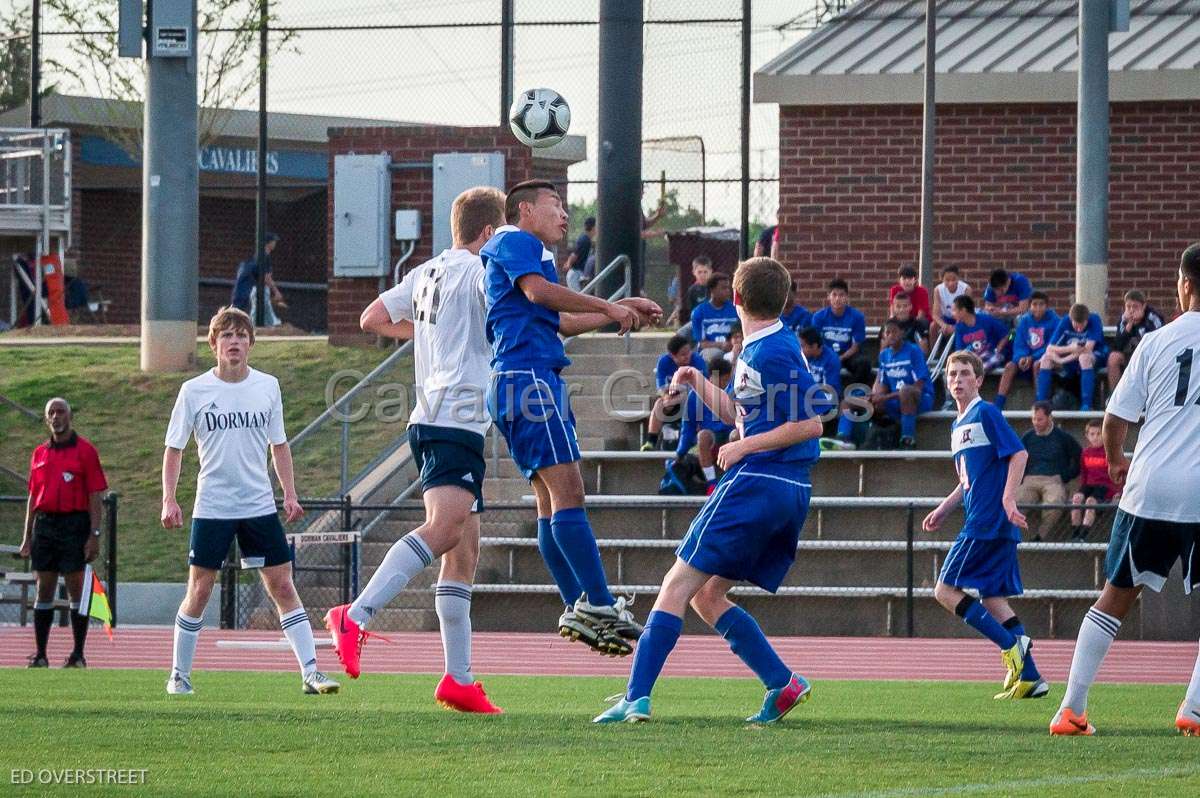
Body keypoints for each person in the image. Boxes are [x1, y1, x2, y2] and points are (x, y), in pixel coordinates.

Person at [594, 256, 822, 725]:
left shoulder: (771, 349)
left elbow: (811, 424)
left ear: (736, 298)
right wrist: (697, 381)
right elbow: (745, 416)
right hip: (782, 486)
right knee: (706, 595)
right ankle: (782, 683)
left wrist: (743, 449)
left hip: (760, 481)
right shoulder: (764, 345)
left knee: (676, 585)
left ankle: (636, 697)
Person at [323, 187, 507, 714]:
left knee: (464, 552)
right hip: (453, 415)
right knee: (446, 529)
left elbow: (370, 318)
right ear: (490, 234)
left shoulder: (426, 271)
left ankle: (459, 679)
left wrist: (428, 337)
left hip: (439, 415)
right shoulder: (477, 271)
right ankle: (355, 614)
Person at [482, 179, 661, 656]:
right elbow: (542, 295)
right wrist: (607, 303)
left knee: (548, 501)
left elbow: (556, 318)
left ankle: (579, 605)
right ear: (524, 210)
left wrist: (616, 309)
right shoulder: (516, 240)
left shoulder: (526, 252)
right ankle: (599, 605)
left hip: (521, 379)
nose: (564, 214)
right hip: (530, 380)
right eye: (555, 205)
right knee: (570, 494)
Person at [1051, 243, 1200, 737]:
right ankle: (1193, 710)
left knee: (1115, 597)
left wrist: (1115, 459)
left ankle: (1071, 708)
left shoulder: (1155, 343)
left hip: (1151, 488)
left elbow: (1115, 417)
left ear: (1184, 285)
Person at [161, 307, 338, 696]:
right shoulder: (194, 391)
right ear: (213, 344)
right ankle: (179, 674)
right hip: (213, 506)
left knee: (282, 586)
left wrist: (289, 493)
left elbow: (279, 444)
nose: (234, 342)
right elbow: (174, 449)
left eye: (241, 335)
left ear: (251, 343)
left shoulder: (267, 386)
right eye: (226, 335)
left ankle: (311, 672)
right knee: (200, 589)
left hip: (258, 505)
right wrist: (169, 499)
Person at [923, 350, 1047, 700]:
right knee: (993, 599)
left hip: (987, 521)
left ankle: (1012, 648)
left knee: (944, 591)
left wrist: (1008, 498)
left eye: (964, 374)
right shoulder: (957, 424)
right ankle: (1031, 678)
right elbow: (968, 480)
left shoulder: (986, 412)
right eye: (952, 375)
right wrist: (945, 508)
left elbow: (1018, 454)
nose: (957, 380)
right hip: (987, 520)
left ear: (978, 380)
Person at [20, 398, 108, 669]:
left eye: (61, 412)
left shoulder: (85, 451)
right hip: (45, 526)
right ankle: (40, 654)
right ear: (46, 419)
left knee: (75, 588)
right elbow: (33, 496)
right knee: (43, 588)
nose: (56, 417)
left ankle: (78, 654)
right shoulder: (39, 453)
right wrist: (27, 536)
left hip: (74, 525)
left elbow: (96, 494)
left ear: (70, 416)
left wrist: (94, 533)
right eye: (51, 413)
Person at [1016, 401, 1081, 542]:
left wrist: (1065, 476)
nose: (1036, 423)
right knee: (1015, 502)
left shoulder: (1063, 437)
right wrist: (1021, 479)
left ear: (1050, 418)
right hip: (1030, 480)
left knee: (1055, 502)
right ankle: (1011, 536)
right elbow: (1018, 459)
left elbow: (1079, 458)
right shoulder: (1027, 437)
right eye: (1034, 419)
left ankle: (1040, 536)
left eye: (1040, 419)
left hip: (1053, 480)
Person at [675, 357, 735, 493]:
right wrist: (681, 451)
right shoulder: (695, 395)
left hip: (730, 438)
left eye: (728, 379)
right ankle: (711, 483)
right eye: (724, 379)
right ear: (713, 378)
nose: (727, 383)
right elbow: (688, 425)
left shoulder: (735, 392)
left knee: (736, 435)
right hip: (712, 440)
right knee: (703, 436)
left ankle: (735, 480)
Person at [643, 334, 708, 452]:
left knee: (693, 402)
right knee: (659, 403)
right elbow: (661, 388)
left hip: (695, 398)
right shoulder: (664, 361)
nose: (687, 356)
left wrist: (680, 397)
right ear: (672, 356)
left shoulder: (697, 360)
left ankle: (695, 441)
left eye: (688, 352)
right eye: (683, 355)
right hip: (674, 399)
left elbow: (703, 389)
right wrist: (666, 397)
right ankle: (651, 441)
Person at [1037, 303, 1106, 411]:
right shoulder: (1065, 321)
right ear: (1070, 319)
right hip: (1070, 358)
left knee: (1084, 358)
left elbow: (1087, 349)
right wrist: (1069, 350)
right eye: (1076, 325)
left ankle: (1086, 405)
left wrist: (1062, 360)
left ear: (1087, 320)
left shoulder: (1095, 319)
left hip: (1095, 356)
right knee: (1045, 359)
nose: (1079, 330)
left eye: (1082, 325)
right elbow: (1050, 348)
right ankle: (1040, 404)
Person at [996, 291, 1058, 409]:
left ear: (1047, 306)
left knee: (1037, 365)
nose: (1038, 308)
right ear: (1030, 307)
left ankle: (1040, 403)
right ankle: (999, 402)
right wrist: (1021, 357)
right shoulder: (1024, 321)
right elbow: (1018, 342)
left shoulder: (1055, 321)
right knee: (1009, 366)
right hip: (1025, 359)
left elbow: (1052, 345)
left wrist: (1032, 357)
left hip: (1042, 359)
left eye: (1041, 304)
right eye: (1035, 304)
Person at [811, 278, 871, 386]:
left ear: (847, 297)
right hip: (825, 353)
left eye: (841, 295)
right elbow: (815, 342)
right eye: (834, 295)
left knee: (864, 364)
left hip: (847, 354)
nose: (837, 298)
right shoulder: (818, 317)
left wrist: (840, 358)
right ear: (828, 296)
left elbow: (856, 346)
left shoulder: (857, 317)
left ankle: (851, 393)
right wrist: (831, 357)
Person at [1107, 289, 1165, 395]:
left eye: (1135, 306)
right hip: (1129, 354)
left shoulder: (1153, 317)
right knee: (1113, 357)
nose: (1131, 310)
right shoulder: (1124, 319)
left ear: (1143, 306)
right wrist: (1129, 325)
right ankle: (1115, 396)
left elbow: (1158, 339)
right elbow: (1118, 345)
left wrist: (1140, 328)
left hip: (1148, 355)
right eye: (1128, 307)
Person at [1070, 418, 1119, 541]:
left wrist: (1117, 492)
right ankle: (1075, 533)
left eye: (1099, 434)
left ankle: (1083, 535)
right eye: (1092, 434)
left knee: (1090, 501)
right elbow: (1084, 474)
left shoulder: (1109, 452)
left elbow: (1117, 474)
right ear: (1087, 436)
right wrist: (1081, 491)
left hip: (1104, 487)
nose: (1095, 437)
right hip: (1089, 485)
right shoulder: (1086, 453)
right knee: (1076, 499)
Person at [230, 232, 285, 324]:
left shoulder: (263, 255)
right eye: (274, 241)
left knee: (246, 307)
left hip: (251, 287)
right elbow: (266, 277)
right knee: (240, 308)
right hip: (250, 287)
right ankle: (259, 323)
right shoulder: (264, 256)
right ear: (269, 242)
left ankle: (268, 322)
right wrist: (276, 292)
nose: (275, 243)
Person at [951, 295, 1010, 372]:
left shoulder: (986, 319)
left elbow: (1008, 334)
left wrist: (998, 349)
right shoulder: (959, 327)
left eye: (954, 310)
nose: (952, 314)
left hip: (992, 353)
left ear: (963, 311)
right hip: (974, 358)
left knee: (977, 370)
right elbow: (959, 351)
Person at [690, 273, 739, 362]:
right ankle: (715, 376)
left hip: (733, 348)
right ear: (712, 290)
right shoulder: (699, 312)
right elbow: (702, 344)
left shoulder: (735, 309)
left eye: (728, 288)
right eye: (724, 288)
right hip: (711, 350)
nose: (728, 291)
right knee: (714, 356)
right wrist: (721, 345)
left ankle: (736, 376)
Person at [932, 264, 970, 338]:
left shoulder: (966, 289)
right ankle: (934, 349)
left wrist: (956, 326)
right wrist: (944, 325)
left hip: (961, 319)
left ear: (958, 278)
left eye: (954, 279)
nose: (951, 283)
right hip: (946, 319)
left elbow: (967, 312)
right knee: (933, 326)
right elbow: (935, 314)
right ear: (942, 279)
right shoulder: (938, 290)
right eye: (947, 280)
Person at [562, 216, 595, 293]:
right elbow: (575, 254)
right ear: (593, 227)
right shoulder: (585, 240)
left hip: (578, 273)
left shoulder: (587, 239)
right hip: (575, 274)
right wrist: (568, 264)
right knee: (579, 297)